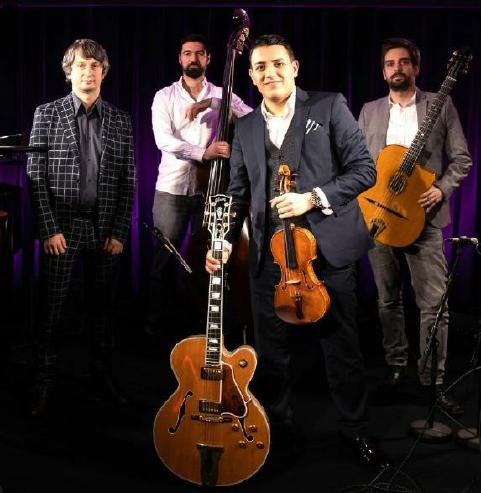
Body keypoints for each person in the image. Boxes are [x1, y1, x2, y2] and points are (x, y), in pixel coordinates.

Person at [206, 34, 387, 468]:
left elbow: (364, 170)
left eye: (277, 64)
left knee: (342, 350)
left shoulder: (329, 106)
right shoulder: (245, 126)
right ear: (251, 77)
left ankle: (354, 431)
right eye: (260, 67)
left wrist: (313, 198)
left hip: (326, 252)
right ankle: (276, 431)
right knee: (271, 354)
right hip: (268, 256)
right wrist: (223, 240)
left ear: (295, 67)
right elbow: (238, 191)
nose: (270, 73)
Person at [358, 37, 472, 415]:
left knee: (434, 304)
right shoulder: (370, 111)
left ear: (416, 67)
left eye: (404, 62)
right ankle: (395, 366)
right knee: (387, 299)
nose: (397, 68)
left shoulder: (441, 105)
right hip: (379, 217)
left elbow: (461, 159)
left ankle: (432, 380)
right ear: (383, 71)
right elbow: (358, 163)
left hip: (426, 220)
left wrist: (441, 189)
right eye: (390, 63)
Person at [27, 38, 136, 417]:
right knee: (52, 308)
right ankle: (43, 379)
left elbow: (128, 180)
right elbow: (35, 175)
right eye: (80, 65)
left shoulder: (120, 120)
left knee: (102, 309)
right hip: (62, 227)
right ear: (68, 72)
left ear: (103, 72)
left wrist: (119, 231)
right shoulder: (47, 114)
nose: (88, 72)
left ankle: (101, 376)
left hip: (103, 229)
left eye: (94, 65)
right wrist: (48, 229)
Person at [145, 33, 251, 340]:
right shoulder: (164, 96)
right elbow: (164, 140)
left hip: (213, 192)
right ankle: (157, 326)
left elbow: (253, 119)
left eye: (199, 53)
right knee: (165, 261)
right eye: (187, 53)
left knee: (212, 262)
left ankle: (203, 324)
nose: (193, 58)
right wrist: (204, 153)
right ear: (180, 58)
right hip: (173, 190)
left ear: (208, 59)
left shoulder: (221, 93)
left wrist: (217, 103)